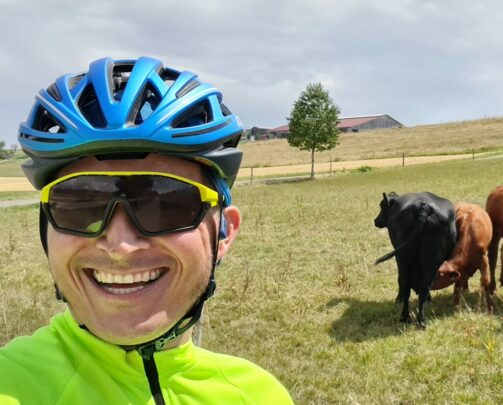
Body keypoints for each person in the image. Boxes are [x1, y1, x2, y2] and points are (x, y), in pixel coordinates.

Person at [0, 57, 294, 404]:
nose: (120, 245)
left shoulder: (259, 395)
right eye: (80, 205)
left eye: (168, 204)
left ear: (225, 233)